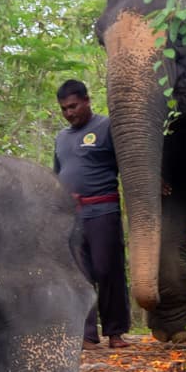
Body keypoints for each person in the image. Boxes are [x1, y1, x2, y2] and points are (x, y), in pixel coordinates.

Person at [53, 78, 131, 348]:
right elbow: (57, 174)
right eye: (64, 109)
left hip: (103, 210)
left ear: (86, 100)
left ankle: (115, 331)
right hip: (72, 216)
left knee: (106, 268)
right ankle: (86, 334)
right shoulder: (61, 138)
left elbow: (128, 163)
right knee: (79, 274)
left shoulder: (106, 126)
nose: (69, 113)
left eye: (73, 106)